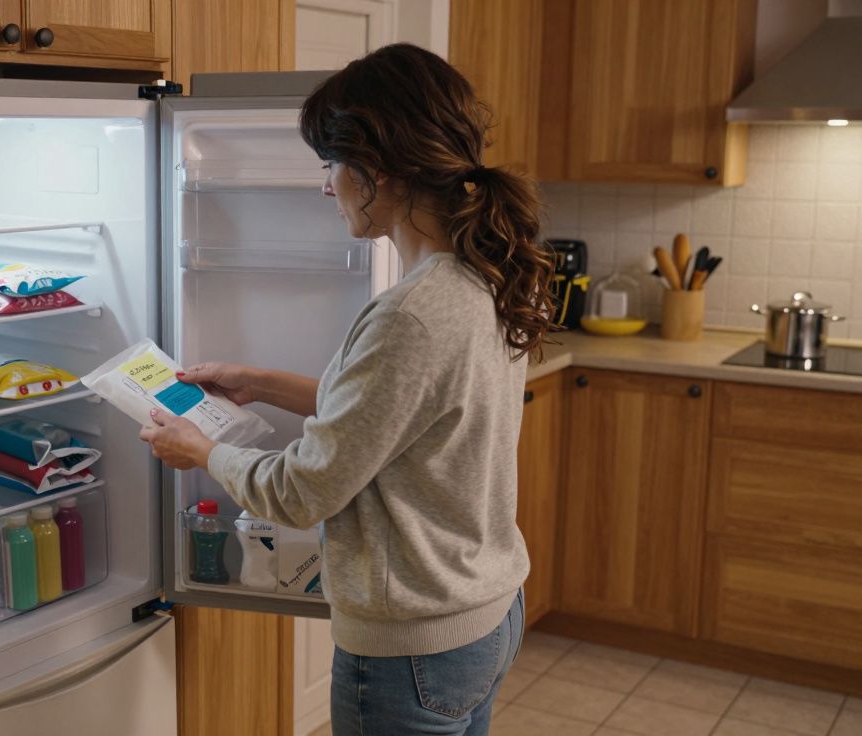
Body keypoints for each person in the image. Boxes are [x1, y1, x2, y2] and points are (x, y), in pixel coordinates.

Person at [140, 43, 555, 736]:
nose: (327, 187)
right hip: (483, 612)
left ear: (381, 174)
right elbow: (407, 419)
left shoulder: (411, 315)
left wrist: (202, 448)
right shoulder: (477, 275)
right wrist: (262, 384)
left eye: (331, 165)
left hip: (413, 647)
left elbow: (303, 492)